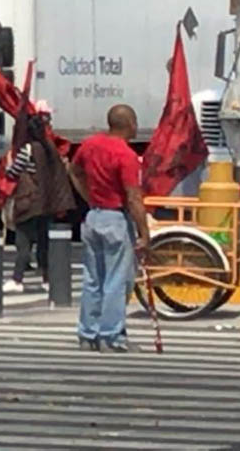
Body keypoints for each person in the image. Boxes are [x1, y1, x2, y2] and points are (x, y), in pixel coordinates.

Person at [68, 104, 149, 352]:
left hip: (93, 216)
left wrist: (88, 197)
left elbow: (74, 170)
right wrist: (144, 232)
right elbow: (133, 197)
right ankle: (111, 335)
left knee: (93, 278)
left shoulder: (90, 145)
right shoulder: (126, 156)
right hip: (115, 218)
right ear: (130, 124)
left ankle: (87, 333)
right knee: (116, 280)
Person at [5, 102, 76, 294]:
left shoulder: (27, 150)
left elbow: (13, 173)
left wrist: (10, 163)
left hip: (29, 202)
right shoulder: (50, 148)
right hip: (47, 202)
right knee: (43, 243)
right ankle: (46, 278)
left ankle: (17, 278)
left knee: (23, 242)